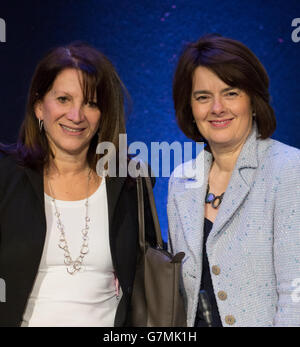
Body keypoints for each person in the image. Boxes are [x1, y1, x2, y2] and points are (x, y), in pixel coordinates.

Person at [0, 42, 155, 327]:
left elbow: (148, 283)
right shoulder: (6, 176)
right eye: (63, 99)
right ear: (38, 106)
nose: (76, 115)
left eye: (91, 103)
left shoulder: (131, 183)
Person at [167, 34, 300, 327]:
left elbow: (296, 294)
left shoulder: (289, 169)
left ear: (253, 100)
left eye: (231, 93)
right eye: (203, 97)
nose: (217, 108)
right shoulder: (181, 181)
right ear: (189, 107)